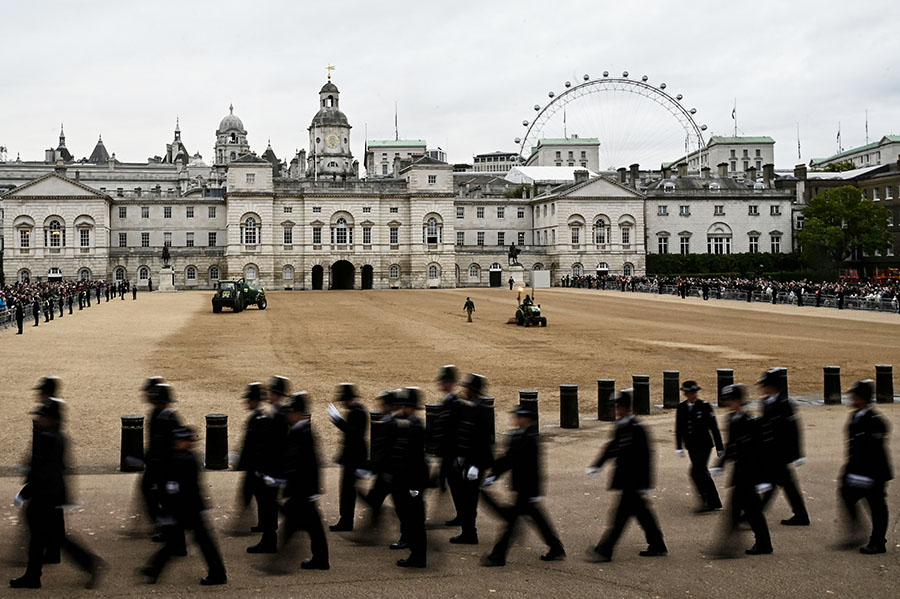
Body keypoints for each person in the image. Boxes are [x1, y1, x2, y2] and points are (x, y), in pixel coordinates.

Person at [10, 399, 104, 590]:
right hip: (52, 495)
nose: (39, 419)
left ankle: (36, 575)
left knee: (44, 538)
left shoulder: (47, 438)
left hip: (44, 497)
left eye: (43, 416)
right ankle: (36, 575)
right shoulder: (57, 436)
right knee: (51, 538)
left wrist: (25, 492)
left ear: (51, 419)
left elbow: (43, 471)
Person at [480, 403, 565, 567]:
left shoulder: (530, 439)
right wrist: (493, 474)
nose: (517, 419)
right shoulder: (517, 436)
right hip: (521, 487)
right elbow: (508, 459)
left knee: (512, 523)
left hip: (527, 488)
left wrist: (536, 491)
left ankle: (498, 555)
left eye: (521, 416)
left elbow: (535, 468)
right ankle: (555, 547)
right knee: (537, 519)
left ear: (528, 419)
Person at [140, 426, 227, 585]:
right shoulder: (184, 457)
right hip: (187, 507)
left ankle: (218, 574)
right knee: (179, 542)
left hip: (187, 508)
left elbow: (180, 486)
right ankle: (154, 569)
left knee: (194, 543)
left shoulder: (183, 459)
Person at [587, 390, 667, 562]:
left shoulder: (637, 428)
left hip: (634, 481)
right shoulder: (621, 426)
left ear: (623, 407)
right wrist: (598, 464)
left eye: (617, 407)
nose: (615, 410)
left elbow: (646, 457)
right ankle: (657, 544)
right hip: (626, 479)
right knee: (642, 514)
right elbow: (612, 447)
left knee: (620, 517)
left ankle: (605, 550)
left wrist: (645, 482)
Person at [709, 384, 772, 557]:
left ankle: (727, 547)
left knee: (741, 511)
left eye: (731, 401)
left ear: (738, 401)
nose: (728, 404)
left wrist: (763, 478)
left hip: (750, 474)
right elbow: (731, 445)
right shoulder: (732, 420)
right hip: (739, 472)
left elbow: (761, 452)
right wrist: (720, 464)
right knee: (750, 512)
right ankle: (759, 543)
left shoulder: (750, 422)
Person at [270, 392, 329, 570]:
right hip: (303, 489)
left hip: (301, 489)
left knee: (296, 524)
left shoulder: (301, 432)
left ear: (298, 413)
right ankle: (319, 559)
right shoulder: (301, 430)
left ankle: (280, 561)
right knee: (311, 526)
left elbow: (306, 464)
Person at [838, 379, 893, 554]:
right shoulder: (856, 415)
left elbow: (874, 452)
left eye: (854, 396)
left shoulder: (874, 420)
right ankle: (856, 533)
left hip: (874, 472)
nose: (851, 399)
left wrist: (865, 475)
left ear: (862, 399)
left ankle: (878, 541)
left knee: (876, 506)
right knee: (847, 494)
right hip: (857, 469)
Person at [757, 368, 809, 526]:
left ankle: (756, 513)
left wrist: (798, 453)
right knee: (786, 484)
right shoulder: (765, 403)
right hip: (770, 451)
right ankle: (801, 514)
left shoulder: (785, 404)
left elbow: (794, 430)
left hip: (781, 451)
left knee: (774, 483)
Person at [447, 374, 494, 545]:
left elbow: (482, 441)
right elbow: (465, 435)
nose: (464, 390)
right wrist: (461, 456)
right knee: (468, 498)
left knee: (470, 498)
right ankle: (468, 531)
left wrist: (475, 465)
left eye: (467, 388)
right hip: (469, 460)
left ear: (473, 391)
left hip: (477, 462)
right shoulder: (470, 406)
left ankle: (469, 533)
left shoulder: (481, 410)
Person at [142, 381, 187, 554]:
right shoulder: (158, 414)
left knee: (169, 504)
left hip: (166, 468)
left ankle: (174, 539)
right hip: (157, 465)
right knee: (157, 498)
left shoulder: (170, 418)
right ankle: (166, 530)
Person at [248, 375, 291, 554]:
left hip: (274, 469)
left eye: (272, 392)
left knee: (269, 506)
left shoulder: (279, 415)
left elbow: (277, 445)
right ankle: (268, 539)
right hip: (273, 468)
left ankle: (269, 541)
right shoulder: (276, 413)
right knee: (269, 505)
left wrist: (268, 470)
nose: (268, 395)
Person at [387, 387, 429, 568]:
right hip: (407, 480)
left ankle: (418, 556)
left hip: (413, 481)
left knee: (415, 520)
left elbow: (416, 460)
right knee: (411, 518)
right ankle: (415, 552)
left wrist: (414, 485)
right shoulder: (409, 425)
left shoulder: (415, 427)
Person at [675, 380, 724, 512]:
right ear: (686, 394)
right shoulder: (681, 407)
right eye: (691, 393)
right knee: (702, 472)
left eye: (695, 392)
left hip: (704, 445)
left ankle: (705, 501)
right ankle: (713, 501)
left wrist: (719, 446)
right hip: (691, 446)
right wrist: (678, 446)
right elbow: (679, 428)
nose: (694, 395)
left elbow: (714, 428)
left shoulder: (705, 406)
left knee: (696, 472)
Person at [327, 382, 368, 532]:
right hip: (354, 457)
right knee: (348, 492)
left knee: (347, 492)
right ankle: (346, 520)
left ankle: (346, 521)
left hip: (354, 458)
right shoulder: (358, 410)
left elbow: (353, 434)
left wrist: (338, 421)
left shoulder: (356, 412)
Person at [235, 382, 267, 534]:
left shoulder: (259, 419)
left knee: (253, 494)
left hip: (255, 466)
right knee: (255, 495)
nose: (247, 402)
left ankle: (242, 524)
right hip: (254, 466)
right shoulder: (258, 417)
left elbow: (255, 446)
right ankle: (259, 523)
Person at [433, 365, 463, 526]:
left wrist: (459, 454)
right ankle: (461, 514)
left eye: (444, 381)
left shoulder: (455, 402)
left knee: (455, 485)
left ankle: (463, 516)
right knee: (448, 483)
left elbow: (456, 430)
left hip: (452, 452)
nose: (441, 384)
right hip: (447, 452)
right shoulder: (449, 401)